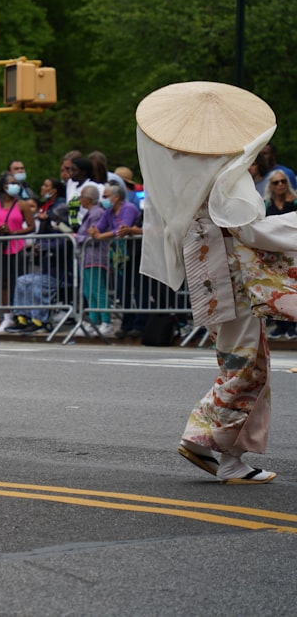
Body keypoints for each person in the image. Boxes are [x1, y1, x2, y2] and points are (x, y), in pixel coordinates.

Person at [136, 80, 281, 484]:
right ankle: (203, 437)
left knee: (246, 361)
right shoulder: (226, 182)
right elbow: (251, 232)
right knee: (244, 364)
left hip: (211, 280)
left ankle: (234, 459)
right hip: (232, 281)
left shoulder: (188, 182)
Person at [7, 177, 69, 333]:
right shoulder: (45, 208)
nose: (42, 187)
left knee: (37, 285)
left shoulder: (60, 207)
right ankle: (22, 317)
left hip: (60, 269)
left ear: (54, 191)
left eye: (46, 185)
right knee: (22, 281)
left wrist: (43, 246)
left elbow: (65, 237)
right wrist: (37, 247)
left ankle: (40, 320)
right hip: (46, 266)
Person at [90, 181, 142, 337]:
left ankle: (138, 324)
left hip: (133, 253)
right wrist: (95, 232)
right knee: (122, 290)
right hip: (118, 256)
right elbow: (98, 227)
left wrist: (100, 236)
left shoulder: (129, 208)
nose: (103, 200)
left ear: (116, 196)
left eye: (106, 196)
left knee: (136, 289)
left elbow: (122, 230)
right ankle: (126, 324)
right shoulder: (109, 211)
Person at [0, 172, 35, 332]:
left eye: (16, 183)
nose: (15, 186)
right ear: (3, 186)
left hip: (18, 248)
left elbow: (31, 226)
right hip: (2, 249)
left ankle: (21, 313)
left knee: (20, 282)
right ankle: (7, 316)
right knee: (5, 283)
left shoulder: (22, 205)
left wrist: (15, 233)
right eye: (11, 183)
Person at [74, 184, 114, 336]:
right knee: (89, 291)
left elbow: (94, 235)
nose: (80, 200)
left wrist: (77, 237)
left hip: (96, 256)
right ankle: (93, 320)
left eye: (82, 197)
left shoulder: (96, 213)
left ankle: (106, 321)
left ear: (88, 199)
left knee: (98, 290)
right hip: (87, 257)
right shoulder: (91, 213)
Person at [262, 170, 297, 339]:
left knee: (291, 289)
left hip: (292, 252)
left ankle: (292, 325)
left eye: (283, 181)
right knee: (277, 289)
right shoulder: (266, 205)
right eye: (276, 182)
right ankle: (280, 325)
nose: (280, 184)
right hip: (274, 253)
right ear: (271, 186)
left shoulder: (295, 201)